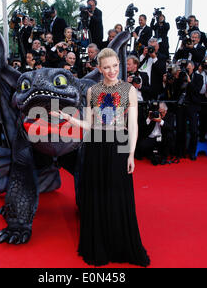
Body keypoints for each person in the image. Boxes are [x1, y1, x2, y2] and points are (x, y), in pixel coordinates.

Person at [51, 48, 150, 267]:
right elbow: (90, 125)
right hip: (95, 146)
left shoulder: (128, 90)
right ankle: (100, 245)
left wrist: (131, 154)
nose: (112, 70)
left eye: (115, 65)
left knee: (118, 195)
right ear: (99, 69)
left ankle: (120, 246)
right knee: (97, 197)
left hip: (119, 145)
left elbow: (132, 125)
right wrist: (69, 117)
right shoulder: (93, 91)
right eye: (106, 67)